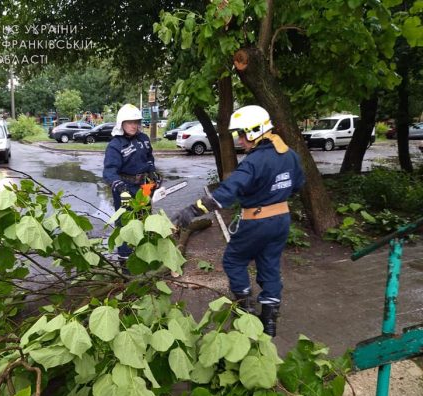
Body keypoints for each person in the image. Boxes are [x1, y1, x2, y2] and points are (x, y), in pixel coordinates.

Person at [172, 105, 305, 336]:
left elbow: (228, 191)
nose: (240, 140)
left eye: (242, 134)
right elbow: (298, 184)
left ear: (255, 131)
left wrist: (193, 210)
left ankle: (246, 310)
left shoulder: (254, 162)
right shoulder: (290, 155)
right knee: (269, 264)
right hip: (281, 220)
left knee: (234, 260)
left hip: (256, 222)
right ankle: (270, 322)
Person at [103, 104, 161, 261]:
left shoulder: (143, 139)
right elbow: (109, 171)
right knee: (126, 222)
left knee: (145, 217)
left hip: (144, 186)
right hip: (124, 188)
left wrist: (153, 172)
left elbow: (149, 158)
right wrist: (118, 185)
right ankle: (125, 257)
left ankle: (144, 252)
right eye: (129, 122)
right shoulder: (115, 145)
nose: (133, 126)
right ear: (121, 123)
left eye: (136, 122)